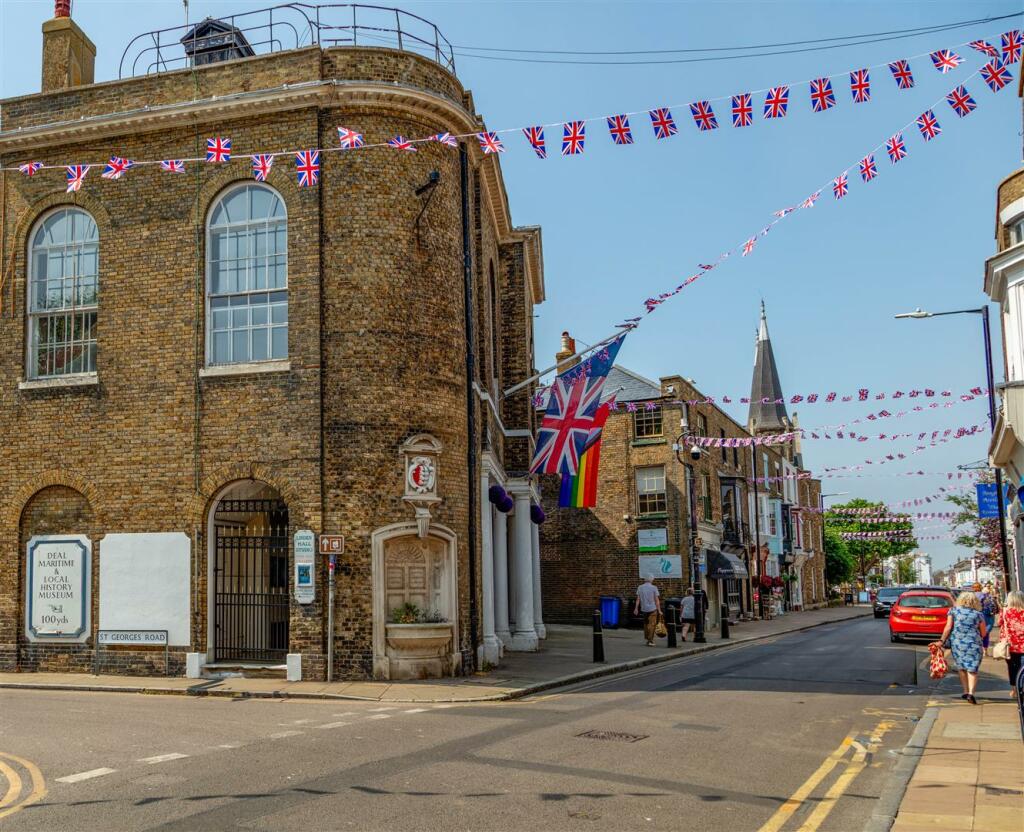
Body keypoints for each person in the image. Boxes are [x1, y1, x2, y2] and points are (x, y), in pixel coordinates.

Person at [938, 591, 988, 704]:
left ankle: (965, 691)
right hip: (974, 644)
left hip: (958, 644)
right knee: (972, 669)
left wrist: (942, 641)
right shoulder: (978, 614)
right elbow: (983, 633)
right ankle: (971, 693)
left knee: (962, 668)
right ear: (974, 602)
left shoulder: (953, 611)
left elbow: (948, 627)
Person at [996, 590, 1024, 698]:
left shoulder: (1005, 611)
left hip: (1010, 646)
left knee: (1013, 668)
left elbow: (999, 623)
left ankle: (1015, 690)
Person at [634, 575, 662, 646]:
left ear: (645, 580)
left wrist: (636, 608)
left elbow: (638, 599)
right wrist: (659, 610)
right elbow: (656, 600)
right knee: (652, 625)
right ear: (651, 580)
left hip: (644, 609)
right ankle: (650, 641)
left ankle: (647, 638)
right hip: (653, 609)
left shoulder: (640, 587)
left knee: (646, 624)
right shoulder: (654, 588)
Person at [975, 581, 1000, 655]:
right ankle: (985, 650)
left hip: (977, 615)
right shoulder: (988, 596)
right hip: (988, 615)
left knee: (977, 632)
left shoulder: (972, 596)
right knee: (986, 633)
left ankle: (978, 649)